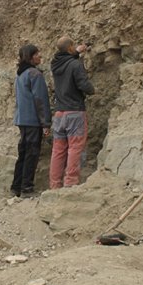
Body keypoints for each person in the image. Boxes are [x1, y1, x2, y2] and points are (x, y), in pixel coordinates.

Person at [49, 36, 95, 189]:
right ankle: (70, 182)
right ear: (69, 48)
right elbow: (83, 84)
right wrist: (92, 90)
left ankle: (55, 185)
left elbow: (64, 59)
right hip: (74, 112)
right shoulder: (75, 65)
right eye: (73, 46)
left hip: (59, 114)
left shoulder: (54, 65)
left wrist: (76, 51)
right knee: (75, 148)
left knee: (58, 150)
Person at [11, 44, 51, 197]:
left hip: (22, 119)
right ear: (30, 56)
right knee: (32, 154)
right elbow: (41, 100)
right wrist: (46, 123)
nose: (40, 56)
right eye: (37, 53)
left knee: (23, 153)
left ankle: (16, 187)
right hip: (33, 120)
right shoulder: (34, 74)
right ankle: (27, 188)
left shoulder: (20, 74)